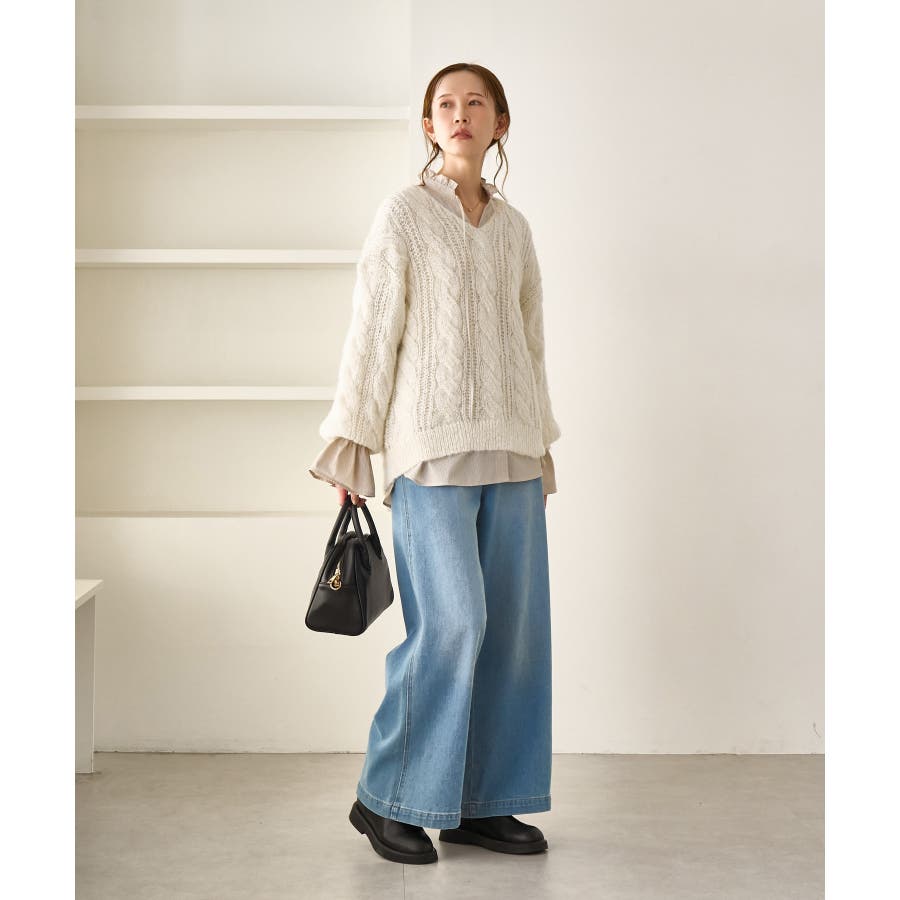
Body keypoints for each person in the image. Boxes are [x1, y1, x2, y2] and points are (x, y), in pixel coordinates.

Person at [308, 62, 561, 865]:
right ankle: (387, 797)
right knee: (454, 625)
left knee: (513, 636)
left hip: (512, 449)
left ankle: (482, 803)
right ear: (428, 126)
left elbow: (530, 345)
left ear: (499, 123)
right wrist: (354, 444)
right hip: (429, 452)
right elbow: (372, 331)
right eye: (444, 105)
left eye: (475, 103)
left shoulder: (515, 229)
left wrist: (541, 448)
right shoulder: (405, 215)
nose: (459, 114)